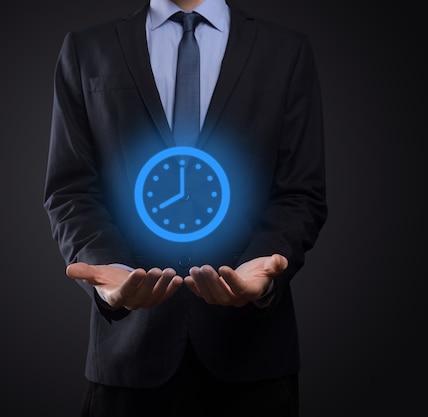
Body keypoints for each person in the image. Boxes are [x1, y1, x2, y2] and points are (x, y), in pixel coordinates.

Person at [43, 0, 327, 415]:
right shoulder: (88, 48)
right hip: (128, 362)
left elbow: (300, 191)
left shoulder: (286, 50)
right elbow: (70, 190)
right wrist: (108, 274)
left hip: (253, 361)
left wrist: (261, 273)